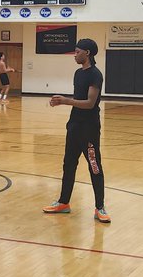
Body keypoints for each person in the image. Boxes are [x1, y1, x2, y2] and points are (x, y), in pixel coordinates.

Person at [44, 38, 110, 223]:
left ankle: (100, 207)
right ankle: (63, 203)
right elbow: (79, 99)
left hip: (89, 128)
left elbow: (89, 103)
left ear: (87, 53)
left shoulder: (95, 75)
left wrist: (66, 101)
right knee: (68, 165)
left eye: (77, 51)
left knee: (94, 167)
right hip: (74, 126)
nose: (75, 54)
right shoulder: (77, 73)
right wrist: (60, 101)